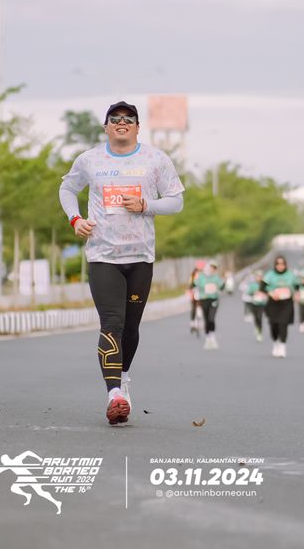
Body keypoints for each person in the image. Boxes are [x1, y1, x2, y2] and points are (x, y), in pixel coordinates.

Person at [59, 101, 184, 425]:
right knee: (111, 323)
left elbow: (176, 202)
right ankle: (114, 394)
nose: (122, 122)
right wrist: (75, 219)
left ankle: (123, 377)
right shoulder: (89, 160)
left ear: (138, 127)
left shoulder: (156, 159)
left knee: (130, 328)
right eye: (115, 119)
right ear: (106, 127)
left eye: (129, 119)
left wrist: (146, 205)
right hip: (103, 255)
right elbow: (67, 188)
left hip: (140, 256)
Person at [261, 255, 298, 358]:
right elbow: (262, 286)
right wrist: (271, 293)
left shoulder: (291, 275)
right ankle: (275, 342)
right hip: (273, 303)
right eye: (278, 264)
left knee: (283, 324)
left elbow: (297, 286)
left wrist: (296, 294)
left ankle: (282, 346)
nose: (280, 266)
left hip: (286, 303)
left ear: (285, 265)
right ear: (275, 265)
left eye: (282, 264)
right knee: (274, 325)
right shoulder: (270, 275)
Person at [194, 261, 225, 349]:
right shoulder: (201, 277)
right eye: (211, 267)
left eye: (214, 268)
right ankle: (207, 337)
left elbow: (222, 287)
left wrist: (223, 283)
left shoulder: (216, 278)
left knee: (212, 318)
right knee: (207, 319)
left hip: (214, 299)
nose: (212, 269)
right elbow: (196, 285)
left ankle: (213, 336)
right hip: (204, 300)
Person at [245, 269, 267, 342]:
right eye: (257, 276)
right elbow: (248, 293)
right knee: (256, 318)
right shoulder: (252, 285)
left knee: (259, 317)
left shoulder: (265, 285)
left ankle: (260, 333)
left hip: (262, 304)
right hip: (254, 303)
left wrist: (264, 295)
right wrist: (254, 292)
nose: (259, 278)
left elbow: (269, 293)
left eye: (260, 276)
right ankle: (257, 327)